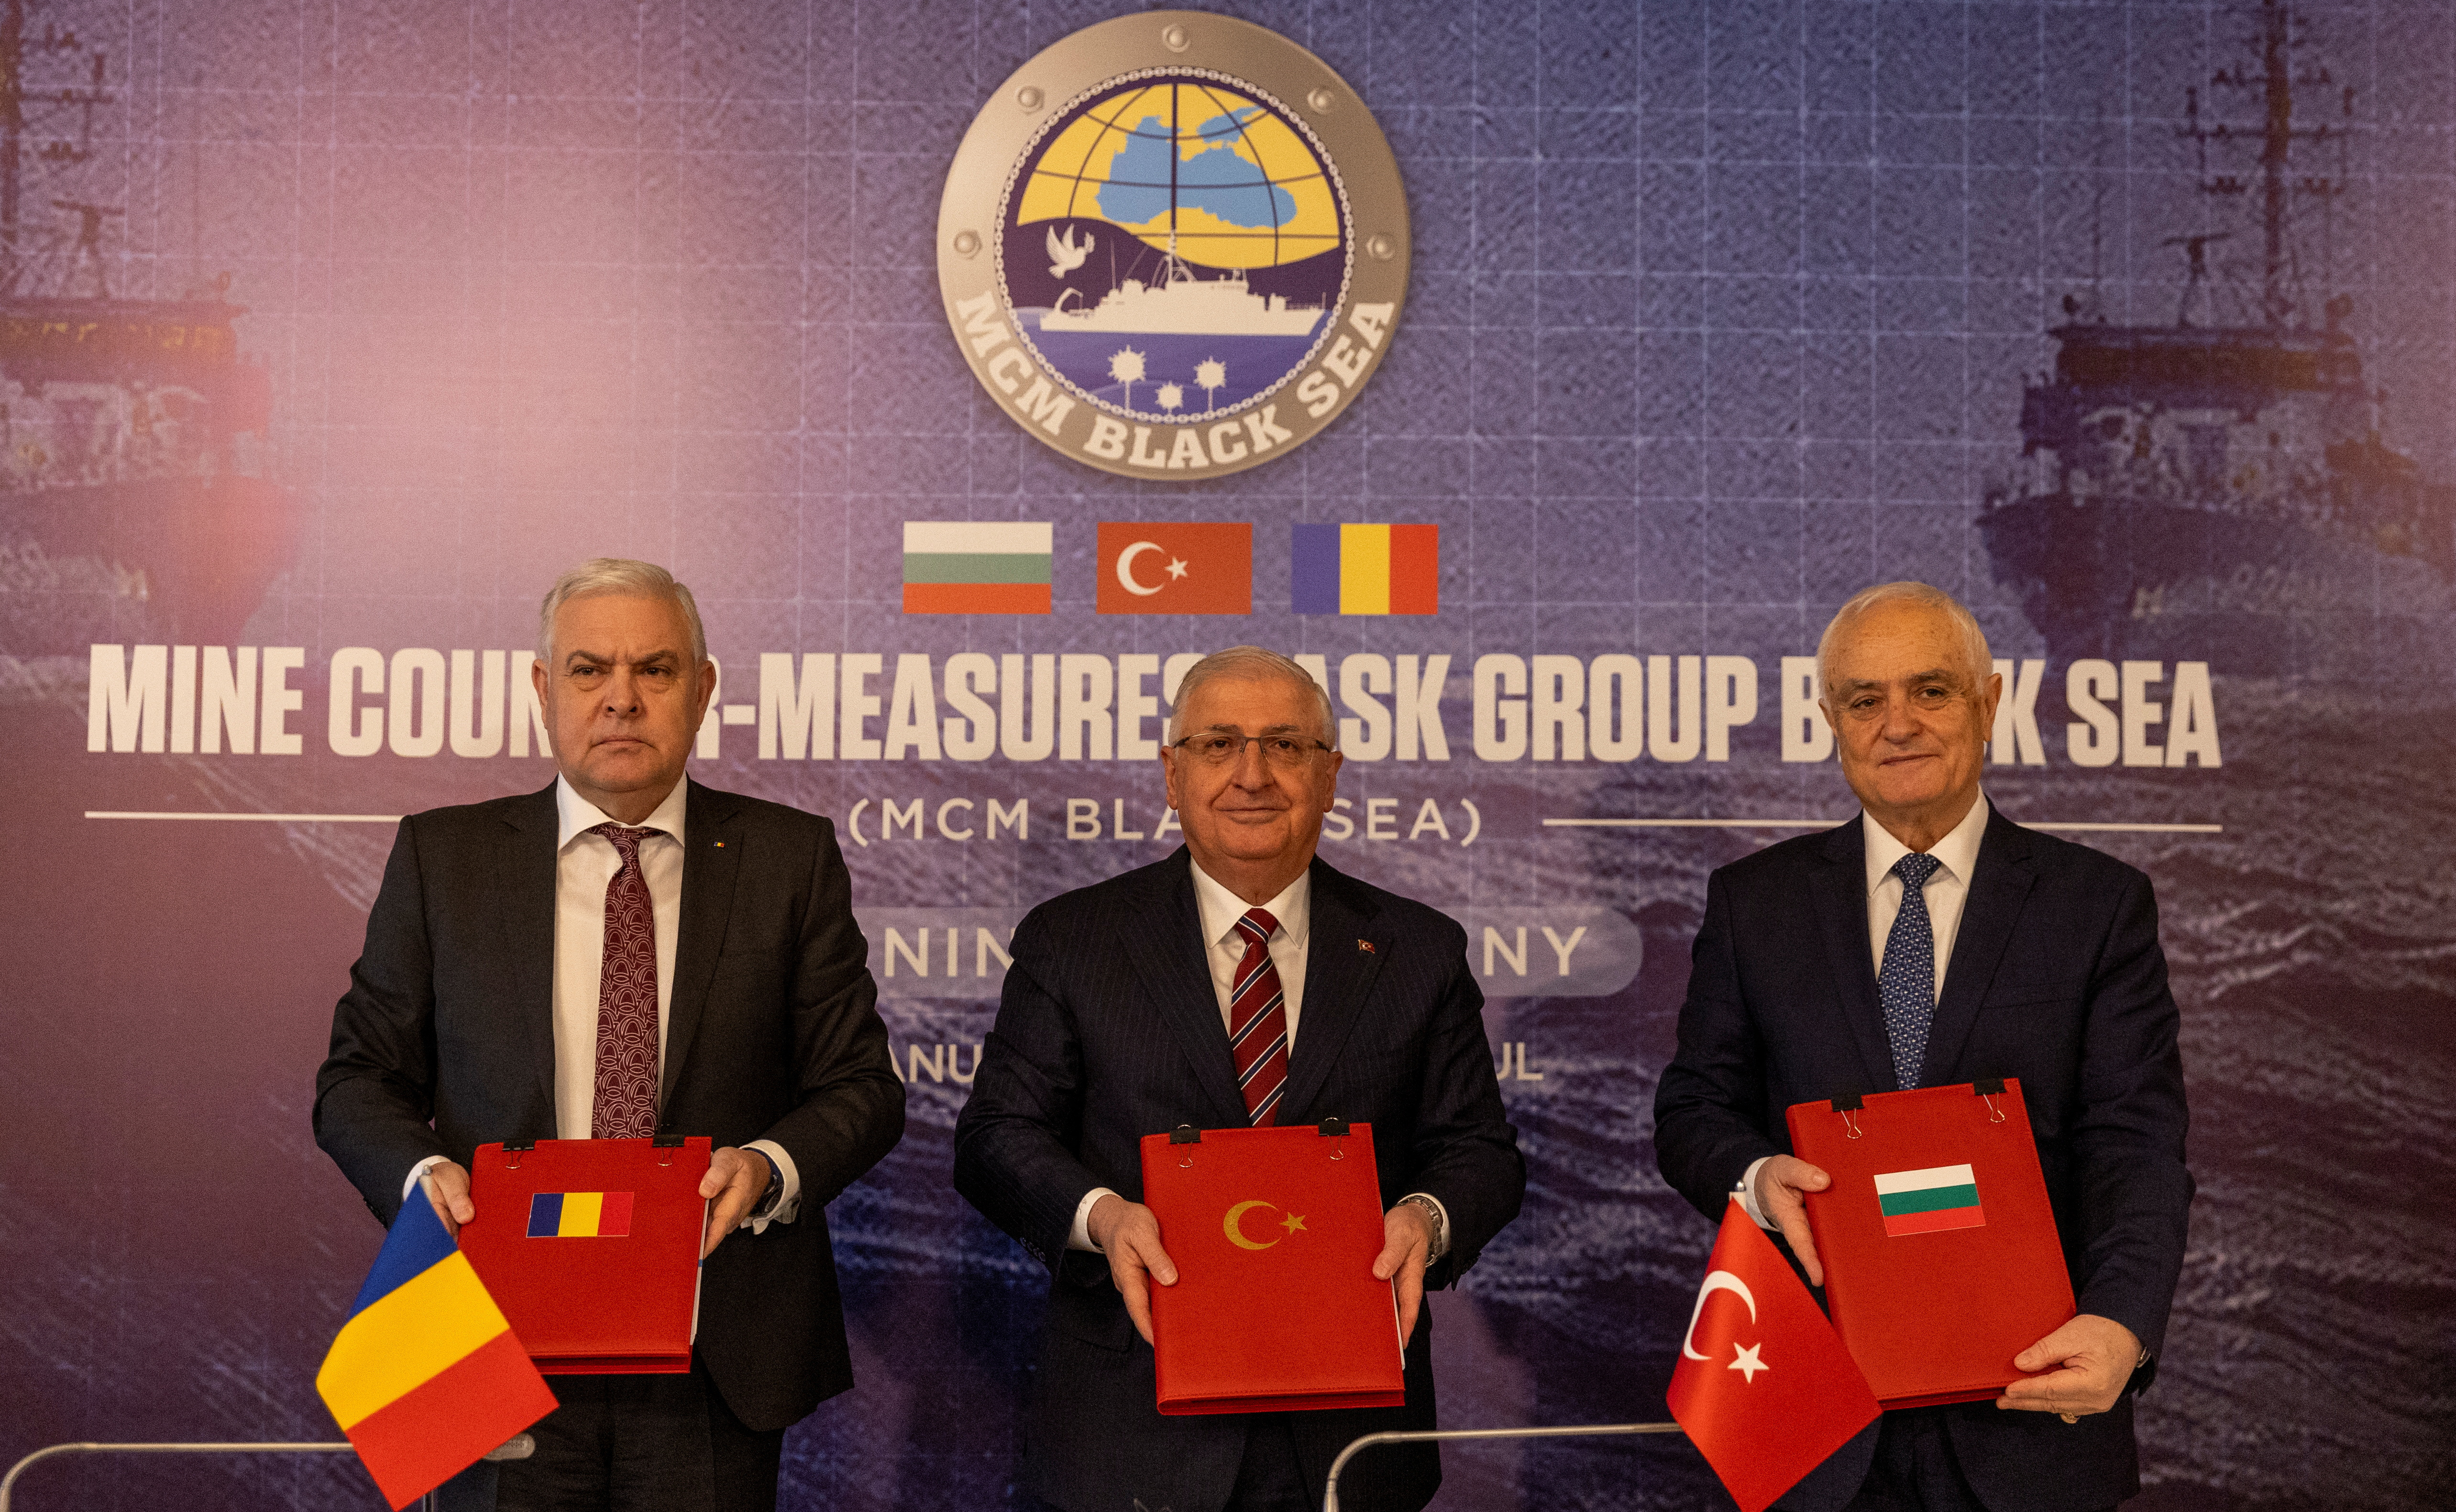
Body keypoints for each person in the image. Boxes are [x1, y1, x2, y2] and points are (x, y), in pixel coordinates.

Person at [314, 559, 904, 1512]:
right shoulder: (445, 857)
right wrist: (425, 1181)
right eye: (589, 670)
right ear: (544, 688)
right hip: (494, 1342)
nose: (621, 699)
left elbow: (861, 1088)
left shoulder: (787, 859)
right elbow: (358, 1081)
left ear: (702, 690)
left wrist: (767, 1167)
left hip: (710, 1355)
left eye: (655, 670)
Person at [1654, 581, 2193, 1512]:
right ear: (1832, 721)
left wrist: (2122, 1324)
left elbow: (2136, 1144)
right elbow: (1693, 1109)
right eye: (1865, 699)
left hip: (2032, 1420)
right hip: (1816, 1426)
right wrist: (1756, 1176)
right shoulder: (1755, 904)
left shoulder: (2098, 906)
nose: (1897, 724)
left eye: (1931, 691)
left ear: (1989, 702)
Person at [953, 645, 1525, 1512]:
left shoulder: (1419, 950)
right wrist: (1103, 1217)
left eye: (1285, 745)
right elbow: (998, 1137)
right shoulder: (1072, 940)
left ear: (1329, 777)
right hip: (1133, 1426)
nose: (1252, 774)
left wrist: (1426, 1217)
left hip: (1350, 1430)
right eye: (1218, 744)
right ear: (1172, 775)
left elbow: (1479, 1152)